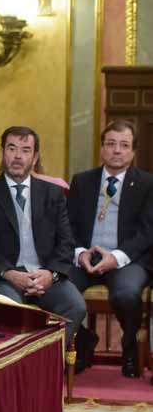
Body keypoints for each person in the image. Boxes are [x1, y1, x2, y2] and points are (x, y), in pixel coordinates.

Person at [0, 125, 86, 348]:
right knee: (14, 308)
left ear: (34, 157)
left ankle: (46, 364)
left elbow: (66, 243)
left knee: (75, 306)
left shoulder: (53, 194)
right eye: (11, 148)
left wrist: (49, 274)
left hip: (44, 276)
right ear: (3, 153)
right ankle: (16, 368)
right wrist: (10, 274)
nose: (17, 156)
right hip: (3, 277)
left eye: (25, 150)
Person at [67, 120, 153, 378]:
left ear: (133, 151)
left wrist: (115, 257)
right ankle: (84, 342)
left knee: (126, 294)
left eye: (124, 145)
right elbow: (67, 225)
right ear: (102, 148)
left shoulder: (148, 184)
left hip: (127, 259)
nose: (117, 150)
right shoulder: (82, 181)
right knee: (55, 290)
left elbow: (147, 232)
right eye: (111, 144)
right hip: (86, 257)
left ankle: (129, 349)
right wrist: (80, 252)